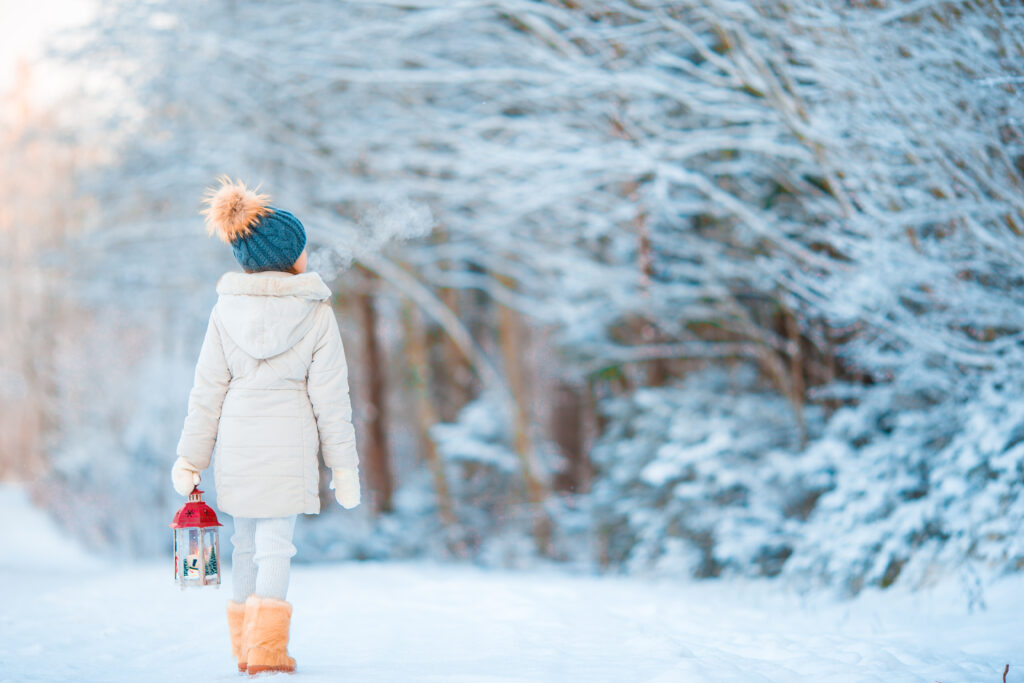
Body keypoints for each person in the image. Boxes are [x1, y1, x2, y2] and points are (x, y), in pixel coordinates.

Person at [170, 176, 360, 675]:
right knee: (277, 546)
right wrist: (345, 468)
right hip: (287, 448)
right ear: (288, 257)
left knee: (245, 545)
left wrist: (191, 457)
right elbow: (331, 401)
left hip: (237, 446)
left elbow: (206, 391)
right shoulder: (316, 313)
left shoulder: (223, 312)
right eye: (303, 250)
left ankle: (244, 649)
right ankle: (268, 653)